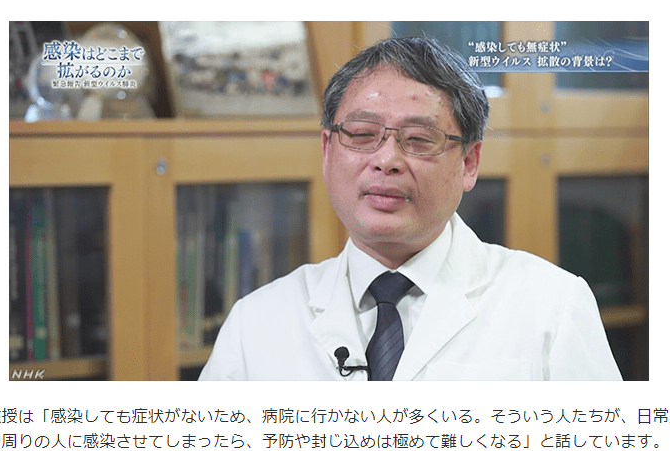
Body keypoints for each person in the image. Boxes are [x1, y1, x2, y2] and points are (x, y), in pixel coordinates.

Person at [199, 36, 622, 381]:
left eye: (418, 139)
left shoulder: (552, 305)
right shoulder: (255, 324)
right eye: (361, 134)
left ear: (469, 162)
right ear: (327, 151)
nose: (387, 160)